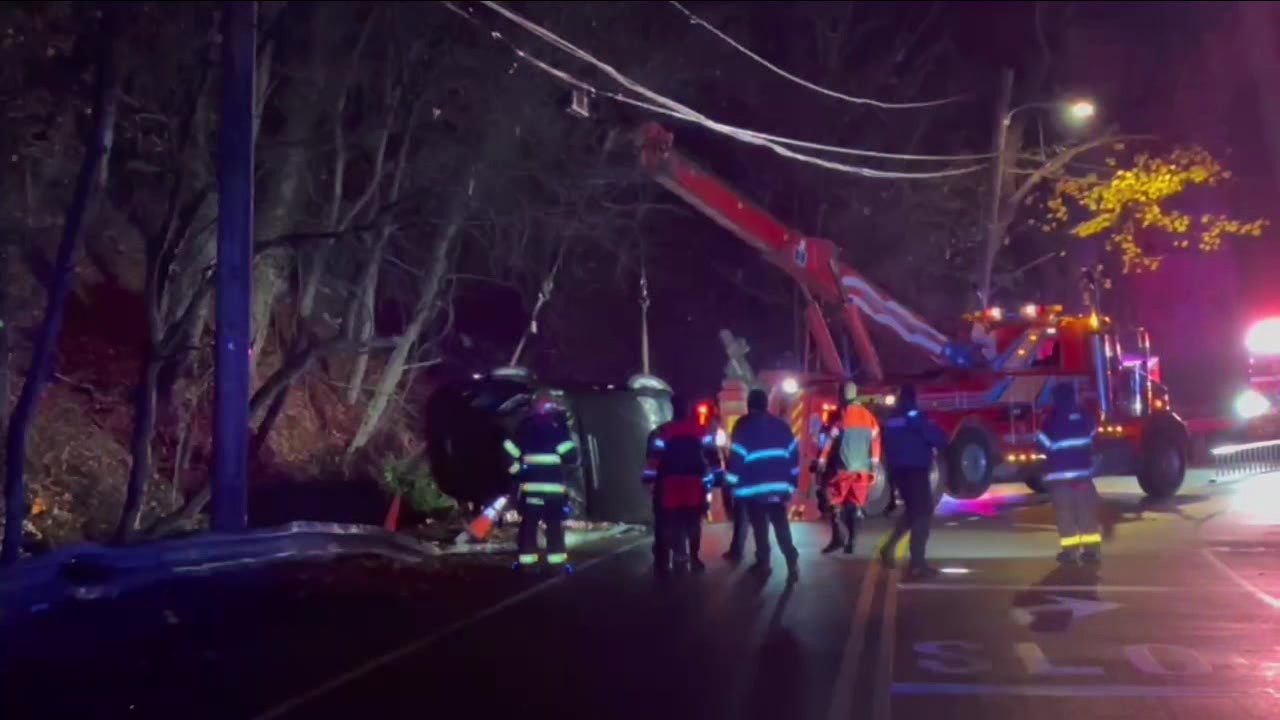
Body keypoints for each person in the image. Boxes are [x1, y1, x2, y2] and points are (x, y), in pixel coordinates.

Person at [726, 389, 801, 581]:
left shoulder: (743, 427)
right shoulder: (782, 427)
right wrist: (792, 483)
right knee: (781, 525)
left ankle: (764, 563)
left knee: (760, 528)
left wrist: (730, 483)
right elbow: (794, 457)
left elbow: (736, 459)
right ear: (766, 405)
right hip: (779, 488)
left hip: (754, 489)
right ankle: (791, 560)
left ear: (749, 405)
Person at [504, 389, 578, 573]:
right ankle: (557, 564)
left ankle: (526, 564)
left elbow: (509, 451)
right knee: (554, 527)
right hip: (554, 491)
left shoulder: (525, 426)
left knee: (529, 526)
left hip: (531, 490)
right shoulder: (558, 427)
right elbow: (571, 456)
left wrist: (518, 472)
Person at [878, 384, 947, 579]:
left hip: (898, 471)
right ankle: (917, 563)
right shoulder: (914, 416)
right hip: (916, 470)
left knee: (912, 512)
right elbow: (936, 437)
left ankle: (889, 547)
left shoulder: (891, 419)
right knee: (923, 513)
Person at [644, 396, 716, 574]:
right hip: (694, 484)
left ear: (672, 409)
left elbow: (654, 459)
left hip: (669, 484)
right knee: (693, 522)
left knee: (670, 521)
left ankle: (670, 558)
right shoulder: (701, 431)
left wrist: (649, 480)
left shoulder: (663, 431)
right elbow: (711, 457)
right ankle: (694, 558)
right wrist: (716, 480)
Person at [1037, 382, 1101, 564]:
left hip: (1060, 479)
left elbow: (1043, 444)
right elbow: (1093, 435)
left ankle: (1070, 553)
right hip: (1083, 477)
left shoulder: (1051, 420)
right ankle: (1091, 552)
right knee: (1087, 514)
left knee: (1065, 516)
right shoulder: (1085, 416)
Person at [814, 382, 881, 555]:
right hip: (862, 470)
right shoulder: (869, 417)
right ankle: (852, 542)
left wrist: (821, 461)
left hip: (844, 468)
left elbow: (830, 441)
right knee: (855, 504)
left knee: (832, 499)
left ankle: (838, 538)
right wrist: (873, 466)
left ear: (843, 396)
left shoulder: (843, 416)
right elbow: (875, 443)